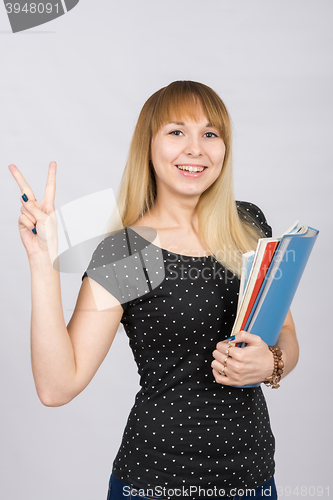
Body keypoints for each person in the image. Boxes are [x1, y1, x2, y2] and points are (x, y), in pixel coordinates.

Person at [9, 81, 299, 500]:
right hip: (155, 482)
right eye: (176, 131)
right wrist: (43, 263)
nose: (195, 148)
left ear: (225, 148)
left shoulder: (247, 225)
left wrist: (271, 365)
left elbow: (286, 336)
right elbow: (57, 387)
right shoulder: (131, 251)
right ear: (148, 145)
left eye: (210, 133)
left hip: (252, 478)